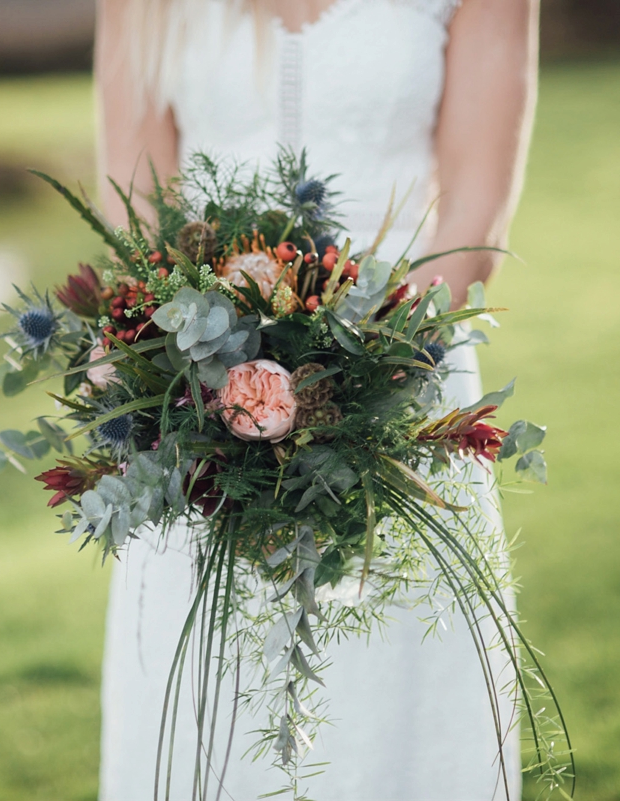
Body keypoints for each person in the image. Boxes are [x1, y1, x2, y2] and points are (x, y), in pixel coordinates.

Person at [95, 1, 539, 798]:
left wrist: (354, 375)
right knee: (211, 715)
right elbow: (136, 203)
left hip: (401, 383)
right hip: (197, 409)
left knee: (394, 704)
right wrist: (204, 374)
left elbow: (475, 220)